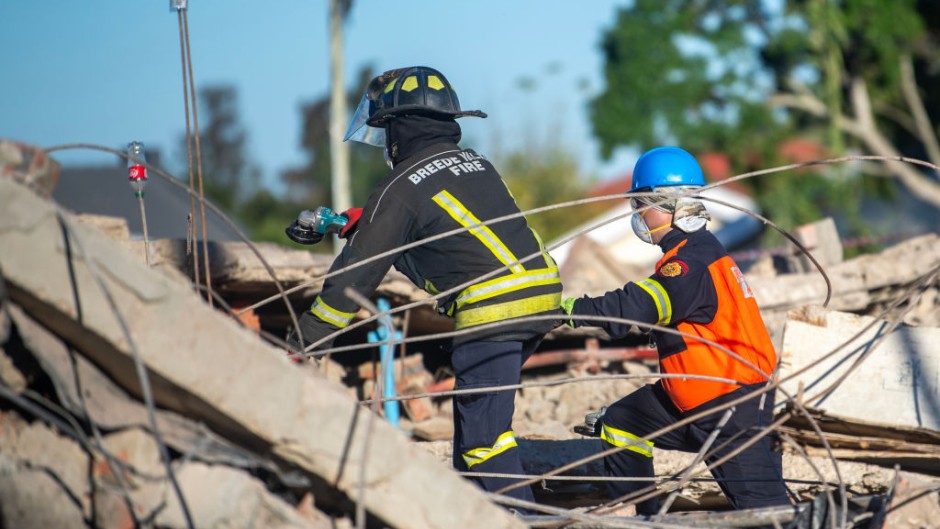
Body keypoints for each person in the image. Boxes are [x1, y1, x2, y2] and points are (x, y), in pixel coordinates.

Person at [285, 66, 562, 505]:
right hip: (540, 297)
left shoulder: (398, 188)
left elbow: (354, 276)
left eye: (386, 131)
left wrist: (302, 344)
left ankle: (525, 520)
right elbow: (446, 237)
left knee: (483, 442)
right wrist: (363, 223)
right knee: (474, 432)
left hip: (493, 311)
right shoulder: (476, 163)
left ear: (399, 129)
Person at [560, 146, 791, 515]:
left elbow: (639, 306)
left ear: (670, 206)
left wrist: (570, 311)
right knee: (621, 422)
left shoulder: (690, 262)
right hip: (698, 400)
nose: (636, 214)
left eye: (641, 205)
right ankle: (646, 518)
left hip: (730, 408)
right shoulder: (695, 250)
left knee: (767, 514)